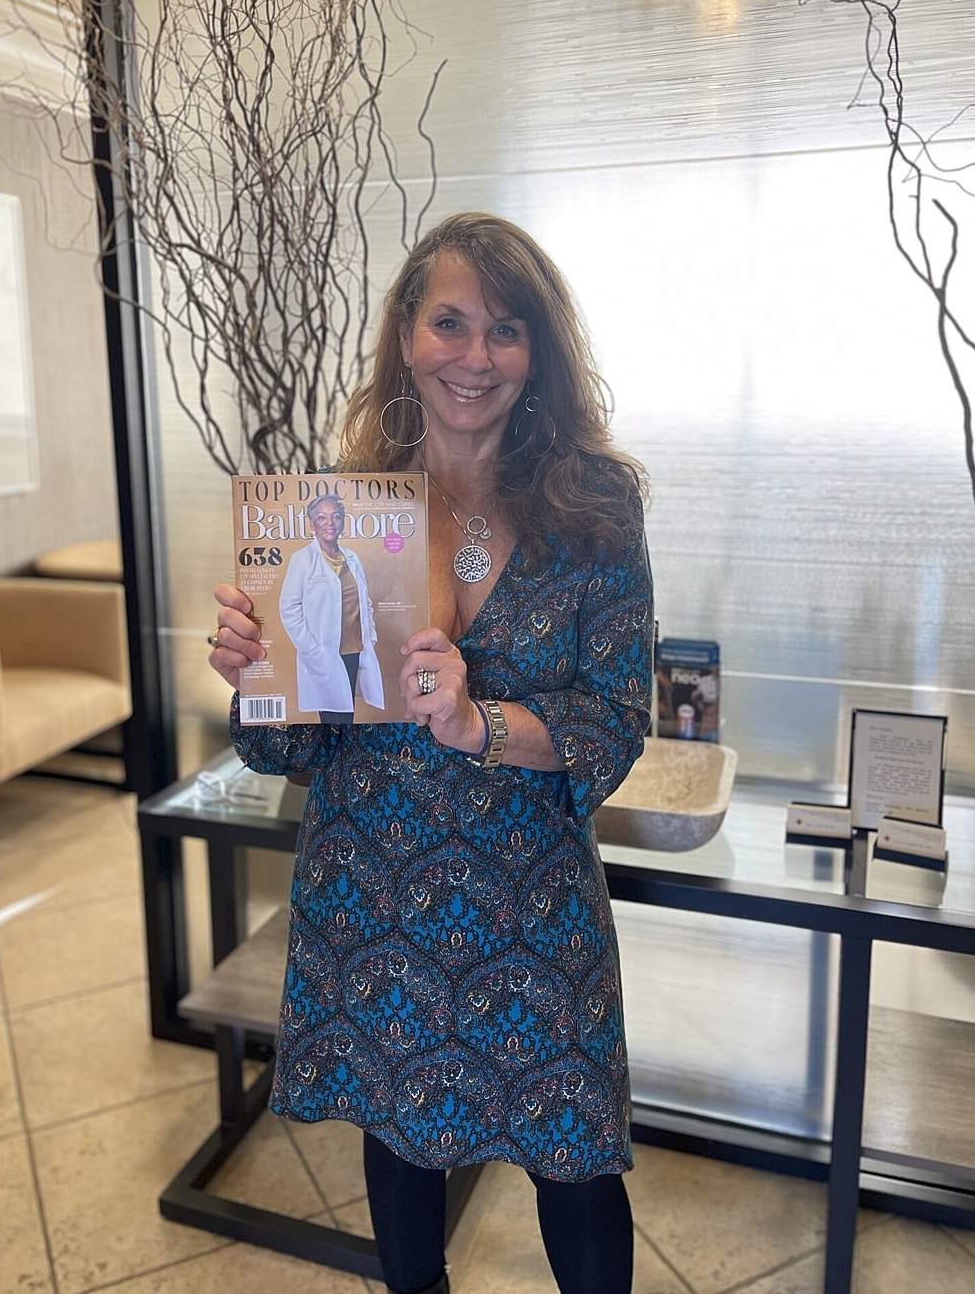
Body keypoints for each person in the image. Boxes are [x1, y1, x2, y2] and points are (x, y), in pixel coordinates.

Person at [210, 211, 653, 1294]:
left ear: (537, 350)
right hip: (375, 894)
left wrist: (478, 724)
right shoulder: (339, 510)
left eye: (506, 330)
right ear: (407, 336)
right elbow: (290, 746)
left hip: (533, 903)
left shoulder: (595, 505)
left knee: (577, 1156)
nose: (475, 356)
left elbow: (615, 717)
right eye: (449, 322)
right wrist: (255, 674)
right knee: (401, 1136)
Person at [279, 494, 384, 723]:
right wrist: (311, 649)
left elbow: (364, 601)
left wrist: (371, 637)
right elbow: (289, 608)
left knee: (348, 715)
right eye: (322, 517)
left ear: (343, 522)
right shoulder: (302, 560)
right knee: (333, 720)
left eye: (336, 517)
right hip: (324, 653)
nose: (330, 523)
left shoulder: (352, 558)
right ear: (312, 523)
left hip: (354, 650)